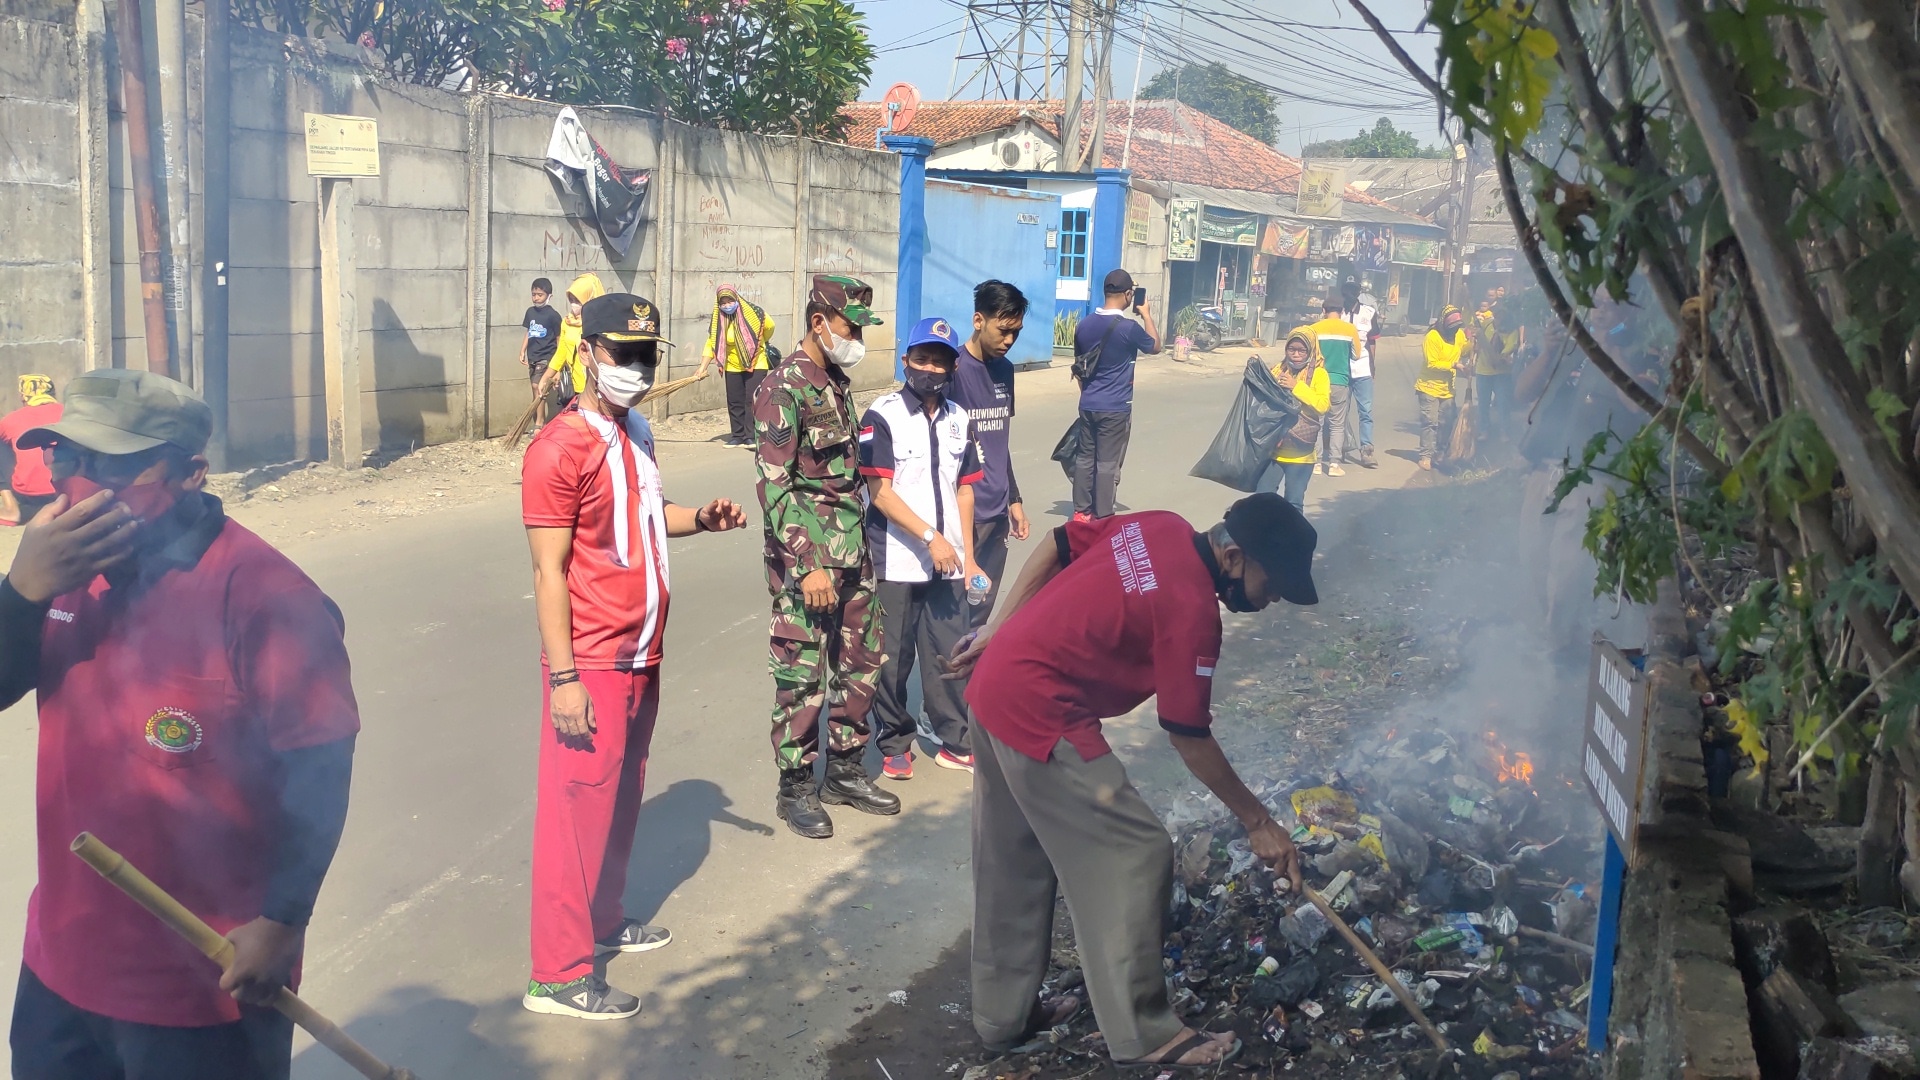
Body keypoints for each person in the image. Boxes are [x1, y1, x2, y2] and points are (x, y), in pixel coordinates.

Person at [0, 369, 359, 1079]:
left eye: (113, 464)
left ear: (190, 473)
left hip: (203, 985)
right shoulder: (62, 568)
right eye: (68, 460)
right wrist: (20, 592)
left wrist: (284, 922)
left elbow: (321, 763)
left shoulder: (267, 596)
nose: (80, 486)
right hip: (62, 962)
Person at [948, 493, 1315, 1070]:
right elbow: (1189, 736)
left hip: (996, 687)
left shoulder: (1162, 526)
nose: (1272, 601)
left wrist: (1000, 627)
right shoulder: (1193, 612)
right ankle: (1146, 1034)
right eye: (1273, 585)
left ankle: (1003, 1018)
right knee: (1137, 853)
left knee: (1011, 860)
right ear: (1236, 557)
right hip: (1042, 712)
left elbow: (1057, 542)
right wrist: (1259, 822)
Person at [521, 292, 748, 1020]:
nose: (639, 369)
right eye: (625, 354)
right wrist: (563, 679)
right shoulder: (558, 449)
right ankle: (556, 974)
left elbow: (648, 519)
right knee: (573, 817)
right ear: (587, 352)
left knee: (618, 803)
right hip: (590, 658)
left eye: (648, 356)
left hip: (642, 654)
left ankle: (605, 916)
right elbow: (548, 571)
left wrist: (699, 520)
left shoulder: (637, 430)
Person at [753, 274, 901, 839]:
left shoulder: (835, 381)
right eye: (850, 327)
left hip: (852, 551)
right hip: (810, 558)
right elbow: (775, 485)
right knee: (802, 671)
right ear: (820, 322)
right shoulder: (782, 387)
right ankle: (794, 784)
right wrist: (807, 561)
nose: (857, 339)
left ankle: (842, 768)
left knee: (861, 662)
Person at [863, 317, 986, 781]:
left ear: (952, 367)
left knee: (951, 655)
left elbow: (965, 492)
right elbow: (881, 494)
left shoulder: (959, 419)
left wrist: (967, 555)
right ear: (906, 360)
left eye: (940, 360)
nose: (931, 369)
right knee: (892, 658)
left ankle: (957, 740)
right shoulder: (883, 415)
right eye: (923, 358)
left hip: (949, 562)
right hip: (897, 558)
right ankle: (895, 741)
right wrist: (931, 538)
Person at [949, 280, 1030, 627]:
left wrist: (1014, 499)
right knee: (953, 611)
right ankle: (948, 679)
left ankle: (970, 677)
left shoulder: (1005, 371)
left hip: (997, 517)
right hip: (963, 515)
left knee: (980, 613)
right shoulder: (953, 370)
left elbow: (999, 442)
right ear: (978, 320)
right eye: (1004, 330)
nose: (1009, 341)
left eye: (1016, 332)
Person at [1071, 269, 1161, 519]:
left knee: (1085, 459)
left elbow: (1079, 365)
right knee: (1108, 464)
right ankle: (1103, 516)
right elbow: (1155, 346)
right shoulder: (1129, 328)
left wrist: (1088, 394)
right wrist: (1146, 315)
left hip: (1088, 403)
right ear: (1128, 294)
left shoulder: (1084, 325)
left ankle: (1081, 512)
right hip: (1115, 408)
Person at [703, 283, 776, 447]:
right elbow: (711, 342)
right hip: (732, 365)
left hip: (756, 361)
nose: (727, 305)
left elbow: (769, 327)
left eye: (730, 301)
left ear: (736, 298)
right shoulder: (719, 320)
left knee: (751, 399)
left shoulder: (754, 313)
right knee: (734, 400)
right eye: (723, 303)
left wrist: (757, 342)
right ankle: (737, 435)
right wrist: (702, 367)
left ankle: (750, 435)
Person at [1268, 328, 1329, 509]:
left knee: (1293, 503)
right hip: (1274, 450)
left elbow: (1322, 405)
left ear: (1310, 351)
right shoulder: (1278, 369)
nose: (1295, 355)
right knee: (1262, 499)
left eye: (1301, 351)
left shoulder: (1319, 374)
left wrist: (1297, 387)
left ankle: (1292, 538)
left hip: (1301, 454)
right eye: (1291, 349)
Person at [536, 273, 607, 412]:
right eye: (571, 299)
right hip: (575, 387)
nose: (574, 304)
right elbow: (561, 353)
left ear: (591, 300)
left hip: (597, 389)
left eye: (578, 300)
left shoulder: (602, 324)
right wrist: (545, 377)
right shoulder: (567, 322)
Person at [1307, 298, 1360, 477]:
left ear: (1324, 310)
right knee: (1337, 423)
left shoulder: (1314, 329)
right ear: (1343, 311)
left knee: (1318, 423)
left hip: (1318, 382)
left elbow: (1309, 356)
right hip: (1340, 381)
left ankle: (1316, 463)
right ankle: (1334, 464)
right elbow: (1356, 355)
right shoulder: (1350, 329)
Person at [0, 374, 63, 525]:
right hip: (65, 490)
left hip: (28, 495)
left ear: (23, 397)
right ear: (52, 394)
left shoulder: (11, 419)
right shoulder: (70, 413)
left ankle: (11, 508)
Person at [1417, 306, 1471, 471]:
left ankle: (1440, 454)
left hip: (1447, 388)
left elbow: (1465, 349)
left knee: (1446, 422)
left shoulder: (1458, 335)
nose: (1454, 331)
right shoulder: (1432, 337)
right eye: (1452, 327)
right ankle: (1425, 456)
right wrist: (1454, 365)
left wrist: (1473, 341)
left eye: (1457, 327)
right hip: (1429, 387)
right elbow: (1432, 363)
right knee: (1430, 422)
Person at [1337, 276, 1380, 469]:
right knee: (1339, 412)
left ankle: (1367, 450)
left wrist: (1372, 366)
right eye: (1347, 291)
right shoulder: (1336, 314)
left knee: (1366, 412)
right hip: (1341, 369)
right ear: (1342, 293)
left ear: (1358, 293)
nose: (1350, 295)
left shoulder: (1369, 313)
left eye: (1353, 291)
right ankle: (1342, 447)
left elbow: (1372, 342)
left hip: (1362, 368)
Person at [520, 278, 563, 422]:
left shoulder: (553, 315)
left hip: (547, 356)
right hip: (532, 356)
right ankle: (538, 419)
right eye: (534, 294)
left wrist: (558, 363)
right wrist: (522, 350)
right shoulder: (530, 312)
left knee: (536, 385)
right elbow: (529, 332)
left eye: (540, 294)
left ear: (549, 295)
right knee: (535, 389)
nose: (536, 298)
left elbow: (559, 338)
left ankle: (539, 423)